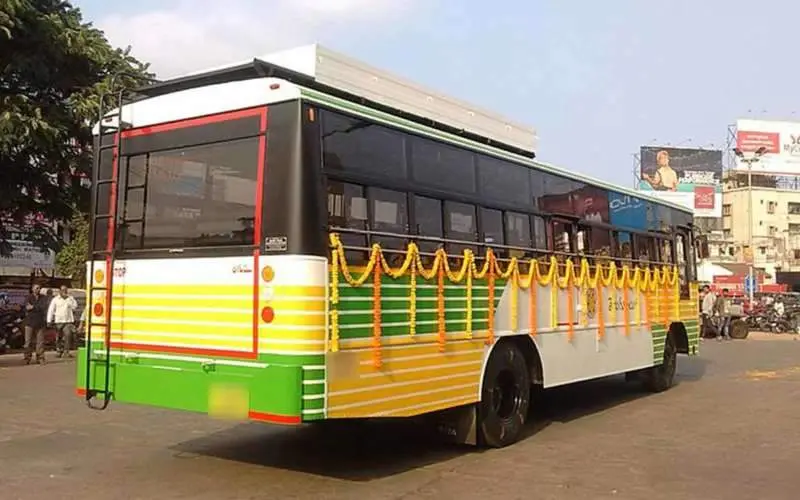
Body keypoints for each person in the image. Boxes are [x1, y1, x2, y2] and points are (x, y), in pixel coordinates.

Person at [47, 285, 78, 358]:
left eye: (65, 290)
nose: (64, 291)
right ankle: (59, 350)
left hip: (68, 321)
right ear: (60, 291)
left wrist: (69, 300)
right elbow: (51, 310)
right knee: (59, 337)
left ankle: (66, 352)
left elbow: (75, 306)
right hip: (59, 321)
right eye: (63, 290)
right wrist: (49, 320)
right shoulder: (55, 299)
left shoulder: (70, 298)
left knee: (68, 336)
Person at [23, 284, 48, 364]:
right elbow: (27, 307)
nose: (38, 289)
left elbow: (43, 307)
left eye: (39, 288)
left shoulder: (43, 297)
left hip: (40, 322)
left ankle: (40, 358)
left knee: (40, 342)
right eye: (37, 288)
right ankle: (27, 358)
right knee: (28, 342)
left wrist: (33, 307)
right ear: (33, 289)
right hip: (29, 322)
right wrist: (36, 307)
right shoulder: (28, 297)